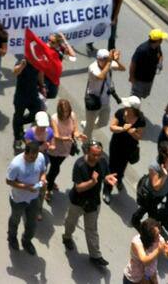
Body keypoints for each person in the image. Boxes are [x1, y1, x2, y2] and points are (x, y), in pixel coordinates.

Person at [62, 139, 118, 267]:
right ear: (87, 152)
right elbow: (78, 188)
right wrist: (92, 182)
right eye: (94, 154)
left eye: (99, 154)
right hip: (78, 202)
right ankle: (67, 237)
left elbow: (104, 175)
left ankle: (95, 256)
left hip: (93, 203)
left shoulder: (102, 161)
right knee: (71, 222)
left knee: (92, 229)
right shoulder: (79, 165)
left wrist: (107, 179)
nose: (97, 157)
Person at [6, 140, 47, 255]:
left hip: (34, 198)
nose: (34, 159)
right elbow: (9, 181)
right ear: (25, 152)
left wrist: (43, 179)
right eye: (31, 157)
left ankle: (26, 241)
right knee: (15, 220)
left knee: (32, 223)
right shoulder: (16, 164)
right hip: (18, 199)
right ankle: (12, 237)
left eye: (35, 156)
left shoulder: (40, 157)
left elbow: (43, 171)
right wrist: (26, 187)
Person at [102, 95, 145, 205]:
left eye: (128, 106)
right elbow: (112, 127)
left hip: (129, 148)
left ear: (133, 109)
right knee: (112, 167)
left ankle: (119, 180)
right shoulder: (121, 113)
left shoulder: (140, 120)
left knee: (122, 167)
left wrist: (133, 133)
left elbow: (139, 136)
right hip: (116, 145)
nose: (125, 106)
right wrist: (122, 128)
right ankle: (107, 190)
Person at [132, 141, 168, 230]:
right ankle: (142, 226)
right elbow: (156, 187)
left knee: (144, 209)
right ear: (163, 154)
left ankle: (136, 220)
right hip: (150, 195)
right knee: (151, 215)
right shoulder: (154, 166)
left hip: (160, 196)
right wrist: (164, 175)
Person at [46, 98, 84, 200]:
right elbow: (56, 135)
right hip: (54, 148)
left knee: (55, 168)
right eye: (63, 112)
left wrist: (78, 135)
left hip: (66, 148)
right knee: (55, 169)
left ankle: (48, 180)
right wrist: (66, 138)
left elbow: (75, 130)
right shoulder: (54, 118)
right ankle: (48, 189)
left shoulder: (72, 115)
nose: (65, 114)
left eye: (67, 111)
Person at [84, 48, 125, 141]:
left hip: (105, 101)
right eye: (104, 59)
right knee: (89, 128)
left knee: (103, 123)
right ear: (98, 59)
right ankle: (86, 143)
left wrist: (117, 61)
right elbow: (101, 76)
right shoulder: (93, 67)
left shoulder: (108, 64)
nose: (106, 61)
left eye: (107, 59)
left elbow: (123, 69)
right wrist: (109, 62)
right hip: (94, 101)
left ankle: (87, 126)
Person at [123, 217, 168, 284]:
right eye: (156, 235)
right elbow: (144, 260)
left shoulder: (159, 239)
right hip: (134, 277)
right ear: (148, 238)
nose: (159, 237)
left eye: (159, 233)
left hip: (149, 275)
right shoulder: (137, 242)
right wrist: (158, 250)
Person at [129, 29, 167, 100]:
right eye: (161, 39)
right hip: (139, 80)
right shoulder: (142, 50)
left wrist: (160, 63)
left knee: (145, 94)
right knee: (134, 99)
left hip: (149, 79)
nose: (162, 40)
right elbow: (133, 63)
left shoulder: (157, 46)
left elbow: (160, 55)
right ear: (158, 40)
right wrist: (131, 77)